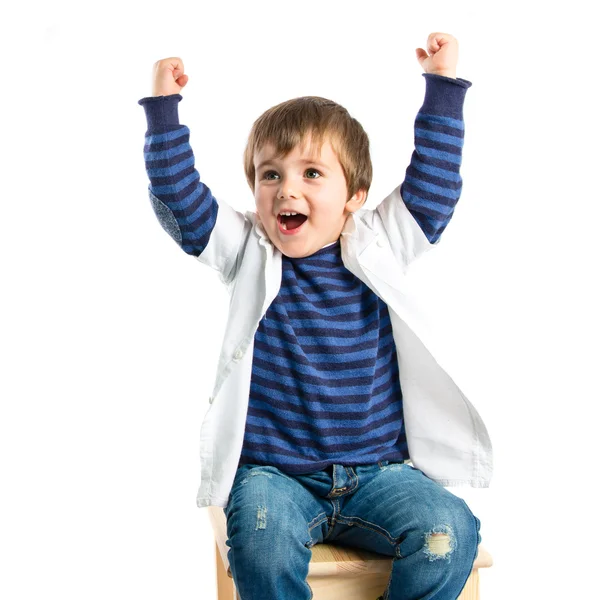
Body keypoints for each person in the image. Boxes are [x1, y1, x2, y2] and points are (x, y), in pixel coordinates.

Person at [138, 32, 492, 600]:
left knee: (447, 533)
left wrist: (442, 88)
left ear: (355, 193)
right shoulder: (246, 248)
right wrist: (163, 113)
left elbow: (435, 183)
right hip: (274, 477)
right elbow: (179, 200)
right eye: (269, 175)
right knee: (259, 539)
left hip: (381, 474)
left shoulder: (382, 240)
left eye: (311, 174)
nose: (286, 191)